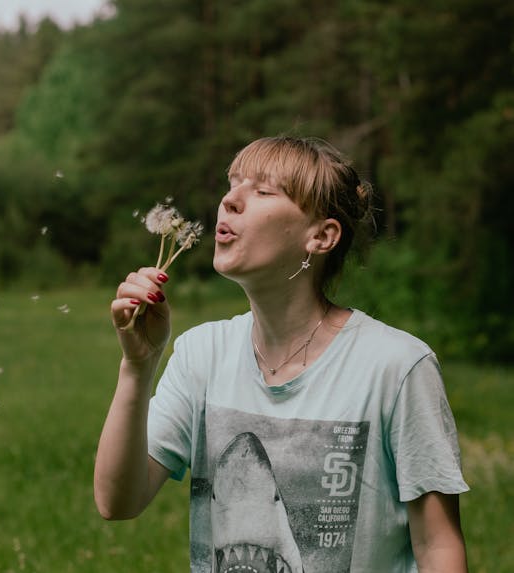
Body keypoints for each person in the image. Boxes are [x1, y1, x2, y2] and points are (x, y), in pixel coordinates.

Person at [94, 136, 469, 572]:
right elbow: (117, 501)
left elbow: (438, 548)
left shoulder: (396, 367)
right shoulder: (201, 354)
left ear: (322, 236)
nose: (230, 201)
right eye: (232, 184)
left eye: (263, 191)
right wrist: (137, 366)